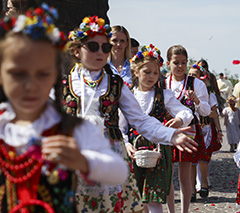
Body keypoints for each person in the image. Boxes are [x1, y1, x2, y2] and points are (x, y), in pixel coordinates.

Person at [0, 5, 128, 212]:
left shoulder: (68, 128)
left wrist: (84, 161)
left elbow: (119, 171)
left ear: (53, 77)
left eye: (42, 74)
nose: (30, 85)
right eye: (18, 74)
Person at [66, 17, 197, 212]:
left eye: (104, 47)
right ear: (77, 50)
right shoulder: (63, 85)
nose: (100, 52)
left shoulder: (116, 84)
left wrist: (171, 134)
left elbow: (140, 120)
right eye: (93, 46)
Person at [124, 44, 194, 213]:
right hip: (134, 150)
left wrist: (178, 119)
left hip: (158, 150)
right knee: (136, 195)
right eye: (147, 72)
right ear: (136, 72)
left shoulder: (164, 94)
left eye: (155, 73)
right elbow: (121, 125)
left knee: (154, 194)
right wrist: (126, 144)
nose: (152, 76)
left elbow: (186, 111)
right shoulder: (127, 95)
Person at [161, 45, 210, 213]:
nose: (180, 66)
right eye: (176, 62)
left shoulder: (196, 83)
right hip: (166, 129)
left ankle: (185, 210)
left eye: (183, 62)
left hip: (188, 129)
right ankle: (170, 210)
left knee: (185, 174)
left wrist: (196, 100)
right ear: (168, 63)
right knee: (167, 173)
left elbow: (207, 111)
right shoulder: (162, 82)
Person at [188, 62, 223, 200]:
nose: (191, 78)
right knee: (190, 160)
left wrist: (203, 109)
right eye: (189, 75)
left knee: (203, 158)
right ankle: (191, 189)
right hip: (190, 128)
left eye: (194, 75)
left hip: (205, 128)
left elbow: (215, 114)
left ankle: (204, 184)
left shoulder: (209, 94)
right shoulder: (183, 92)